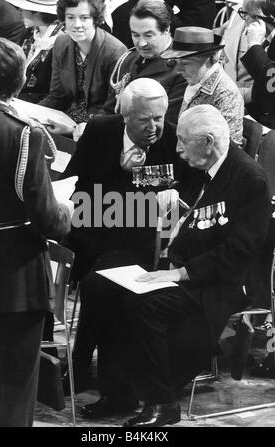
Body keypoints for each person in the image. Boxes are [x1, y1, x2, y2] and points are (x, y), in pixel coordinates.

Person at [82, 104, 270, 427]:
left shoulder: (249, 179)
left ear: (208, 142)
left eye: (183, 142)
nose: (178, 149)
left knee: (143, 303)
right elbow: (168, 199)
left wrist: (179, 273)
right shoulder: (200, 166)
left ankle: (163, 402)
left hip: (216, 284)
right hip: (181, 268)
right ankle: (118, 391)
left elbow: (240, 252)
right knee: (101, 285)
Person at [63, 78, 201, 417]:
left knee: (104, 283)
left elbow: (190, 195)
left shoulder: (173, 138)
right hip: (95, 234)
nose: (154, 127)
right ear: (125, 115)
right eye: (145, 120)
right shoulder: (100, 131)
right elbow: (74, 185)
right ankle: (89, 371)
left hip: (149, 246)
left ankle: (92, 374)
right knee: (101, 274)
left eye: (158, 117)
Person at [0, 37, 72, 427]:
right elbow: (47, 218)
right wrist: (66, 211)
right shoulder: (23, 134)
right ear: (19, 83)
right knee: (16, 381)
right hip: (16, 280)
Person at [40, 0, 126, 141]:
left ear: (95, 19)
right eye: (71, 17)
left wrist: (73, 129)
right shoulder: (61, 43)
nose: (77, 24)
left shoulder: (115, 52)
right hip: (64, 119)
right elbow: (56, 96)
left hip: (96, 129)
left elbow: (111, 111)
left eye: (84, 18)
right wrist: (31, 115)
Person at [161, 26, 245, 146]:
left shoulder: (226, 94)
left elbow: (228, 148)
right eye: (176, 62)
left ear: (210, 58)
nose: (178, 70)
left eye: (185, 63)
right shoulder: (194, 79)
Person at [107, 0, 187, 125]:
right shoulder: (127, 60)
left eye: (148, 35)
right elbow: (109, 109)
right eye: (136, 35)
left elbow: (167, 124)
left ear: (166, 29)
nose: (141, 43)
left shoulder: (182, 69)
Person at [6, 0, 64, 104]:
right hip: (16, 98)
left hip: (43, 104)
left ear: (36, 12)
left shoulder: (63, 41)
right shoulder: (28, 34)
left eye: (23, 8)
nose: (19, 11)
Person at [112, 0, 217, 48]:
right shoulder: (123, 11)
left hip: (179, 61)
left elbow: (195, 38)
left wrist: (161, 6)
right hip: (136, 59)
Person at [239, 0, 275, 128]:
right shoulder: (270, 41)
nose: (244, 20)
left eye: (246, 14)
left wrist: (254, 45)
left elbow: (272, 82)